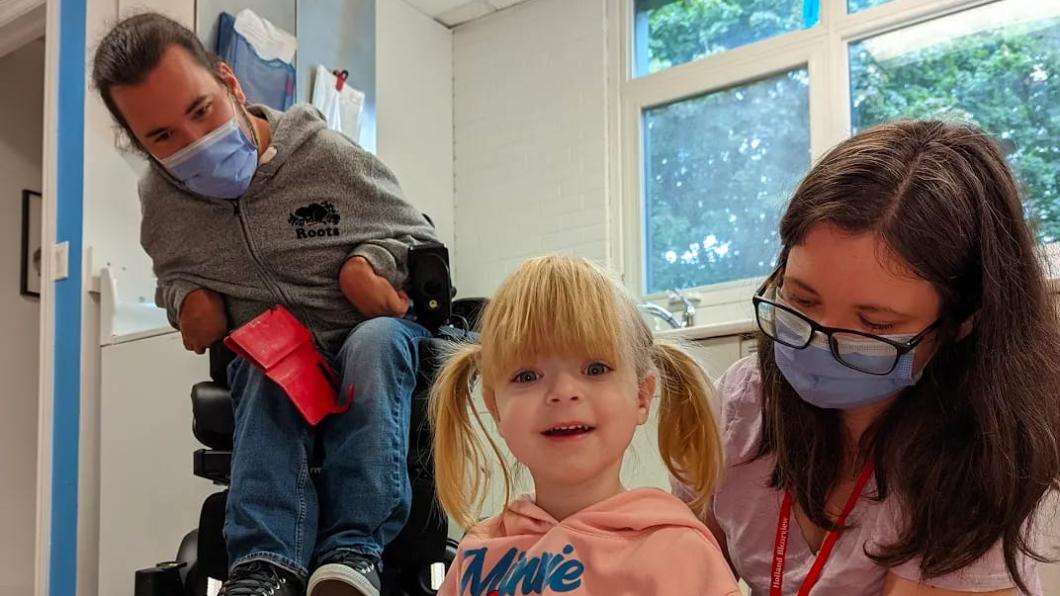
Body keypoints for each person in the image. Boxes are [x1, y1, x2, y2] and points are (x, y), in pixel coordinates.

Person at [91, 13, 438, 596]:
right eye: (162, 137)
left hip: (368, 338)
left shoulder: (324, 155)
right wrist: (186, 301)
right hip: (281, 354)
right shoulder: (161, 204)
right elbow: (172, 276)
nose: (193, 142)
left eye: (200, 110)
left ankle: (354, 554)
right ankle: (264, 568)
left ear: (229, 81)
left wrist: (370, 263)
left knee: (374, 343)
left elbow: (420, 241)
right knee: (264, 358)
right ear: (141, 146)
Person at [678, 120, 1060, 595]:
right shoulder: (741, 404)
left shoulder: (988, 453)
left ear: (963, 323)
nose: (821, 342)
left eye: (875, 325)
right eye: (801, 301)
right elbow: (681, 568)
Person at [429, 255, 741, 595]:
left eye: (595, 369)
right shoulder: (478, 554)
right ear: (496, 409)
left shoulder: (680, 552)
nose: (563, 393)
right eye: (528, 375)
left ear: (641, 396)